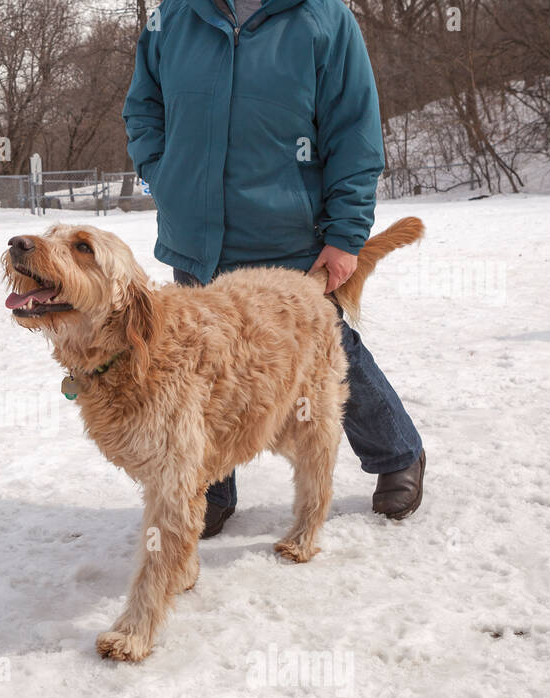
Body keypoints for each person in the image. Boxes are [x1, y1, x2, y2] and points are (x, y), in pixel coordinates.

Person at [123, 0, 426, 538]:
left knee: (329, 355)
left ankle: (396, 454)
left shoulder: (325, 17)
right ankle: (207, 489)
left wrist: (346, 233)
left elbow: (354, 131)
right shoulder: (173, 16)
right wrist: (163, 171)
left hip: (288, 237)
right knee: (202, 369)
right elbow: (143, 107)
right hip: (198, 240)